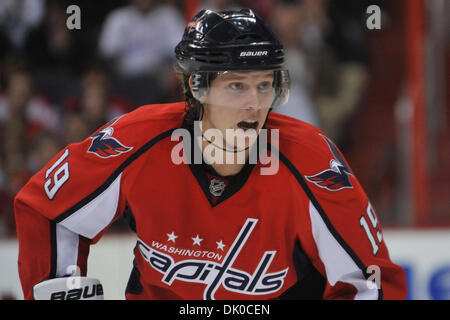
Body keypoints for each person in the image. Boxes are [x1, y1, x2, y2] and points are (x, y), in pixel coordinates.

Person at [14, 8, 407, 300]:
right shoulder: (138, 139)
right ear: (195, 89)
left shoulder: (313, 162)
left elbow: (373, 283)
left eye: (264, 85)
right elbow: (48, 209)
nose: (255, 104)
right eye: (237, 86)